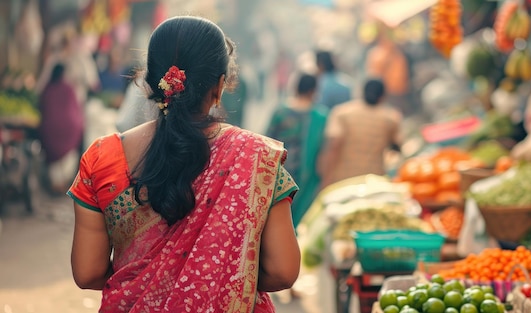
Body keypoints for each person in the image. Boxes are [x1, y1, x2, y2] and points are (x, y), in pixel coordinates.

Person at [67, 17, 301, 313]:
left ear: (150, 81)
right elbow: (282, 271)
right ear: (219, 86)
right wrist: (222, 278)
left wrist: (149, 279)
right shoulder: (256, 158)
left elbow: (88, 272)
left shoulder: (102, 157)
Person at [265, 73, 327, 228]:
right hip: (306, 174)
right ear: (313, 90)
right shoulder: (320, 116)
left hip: (281, 170)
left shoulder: (281, 112)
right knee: (300, 219)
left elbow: (266, 140)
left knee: (278, 213)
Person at [318, 78, 402, 188]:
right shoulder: (391, 118)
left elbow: (334, 146)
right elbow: (397, 149)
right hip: (374, 182)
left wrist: (326, 179)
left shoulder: (341, 113)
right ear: (382, 97)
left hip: (343, 182)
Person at [38, 63, 84, 194]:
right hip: (69, 128)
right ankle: (62, 183)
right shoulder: (69, 89)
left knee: (54, 158)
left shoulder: (47, 89)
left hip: (50, 128)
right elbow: (76, 109)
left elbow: (42, 108)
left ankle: (55, 183)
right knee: (67, 157)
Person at [365, 27, 412, 117]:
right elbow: (374, 75)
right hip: (388, 91)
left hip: (398, 90)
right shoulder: (378, 54)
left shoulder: (397, 54)